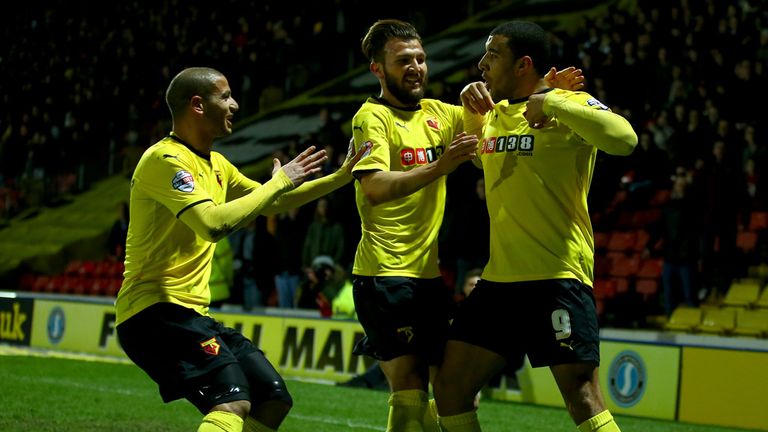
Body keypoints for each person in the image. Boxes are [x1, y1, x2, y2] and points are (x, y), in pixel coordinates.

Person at [349, 19, 584, 432]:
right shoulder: (372, 117)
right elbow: (374, 188)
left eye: (420, 59)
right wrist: (439, 167)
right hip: (384, 274)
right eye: (403, 61)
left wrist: (545, 88)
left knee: (453, 389)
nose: (416, 68)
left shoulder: (439, 114)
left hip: (427, 278)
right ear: (377, 69)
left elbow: (500, 115)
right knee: (410, 386)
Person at [114, 66, 368, 432]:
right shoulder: (164, 160)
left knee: (273, 397)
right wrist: (278, 182)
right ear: (197, 104)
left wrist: (341, 176)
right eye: (225, 96)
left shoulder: (218, 164)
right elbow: (211, 223)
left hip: (189, 314)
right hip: (152, 312)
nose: (234, 105)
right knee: (232, 400)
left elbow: (274, 202)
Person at [433, 21, 637, 432]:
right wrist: (471, 108)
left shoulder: (568, 102)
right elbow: (482, 159)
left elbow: (624, 139)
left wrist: (554, 102)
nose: (482, 64)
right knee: (450, 390)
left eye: (493, 55)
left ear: (523, 64)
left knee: (583, 398)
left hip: (557, 277)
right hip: (499, 281)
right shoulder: (497, 114)